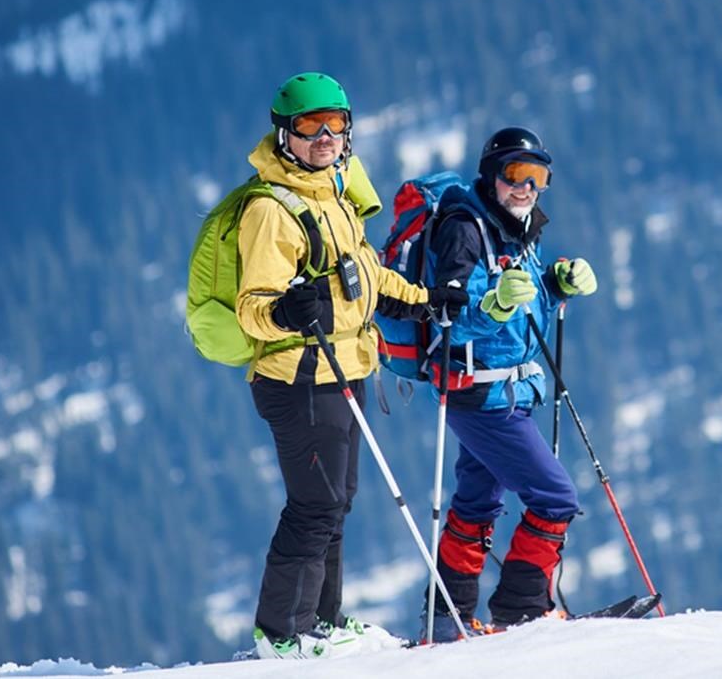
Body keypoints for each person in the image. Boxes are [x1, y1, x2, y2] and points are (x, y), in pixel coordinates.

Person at [236, 72, 468, 659]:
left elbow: (363, 276)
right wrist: (288, 309)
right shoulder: (271, 209)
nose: (323, 137)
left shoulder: (334, 194)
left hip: (345, 367)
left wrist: (423, 298)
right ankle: (282, 632)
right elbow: (251, 310)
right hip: (298, 378)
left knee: (337, 501)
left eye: (335, 126)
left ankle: (322, 622)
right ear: (285, 135)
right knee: (314, 504)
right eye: (309, 127)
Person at [422, 126, 598, 640]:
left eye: (538, 176)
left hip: (503, 391)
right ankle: (522, 612)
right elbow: (449, 316)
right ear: (491, 175)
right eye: (515, 174)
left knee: (477, 503)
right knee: (554, 498)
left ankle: (448, 617)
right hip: (480, 394)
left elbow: (523, 307)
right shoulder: (465, 229)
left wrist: (552, 286)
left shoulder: (517, 229)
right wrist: (493, 303)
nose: (526, 188)